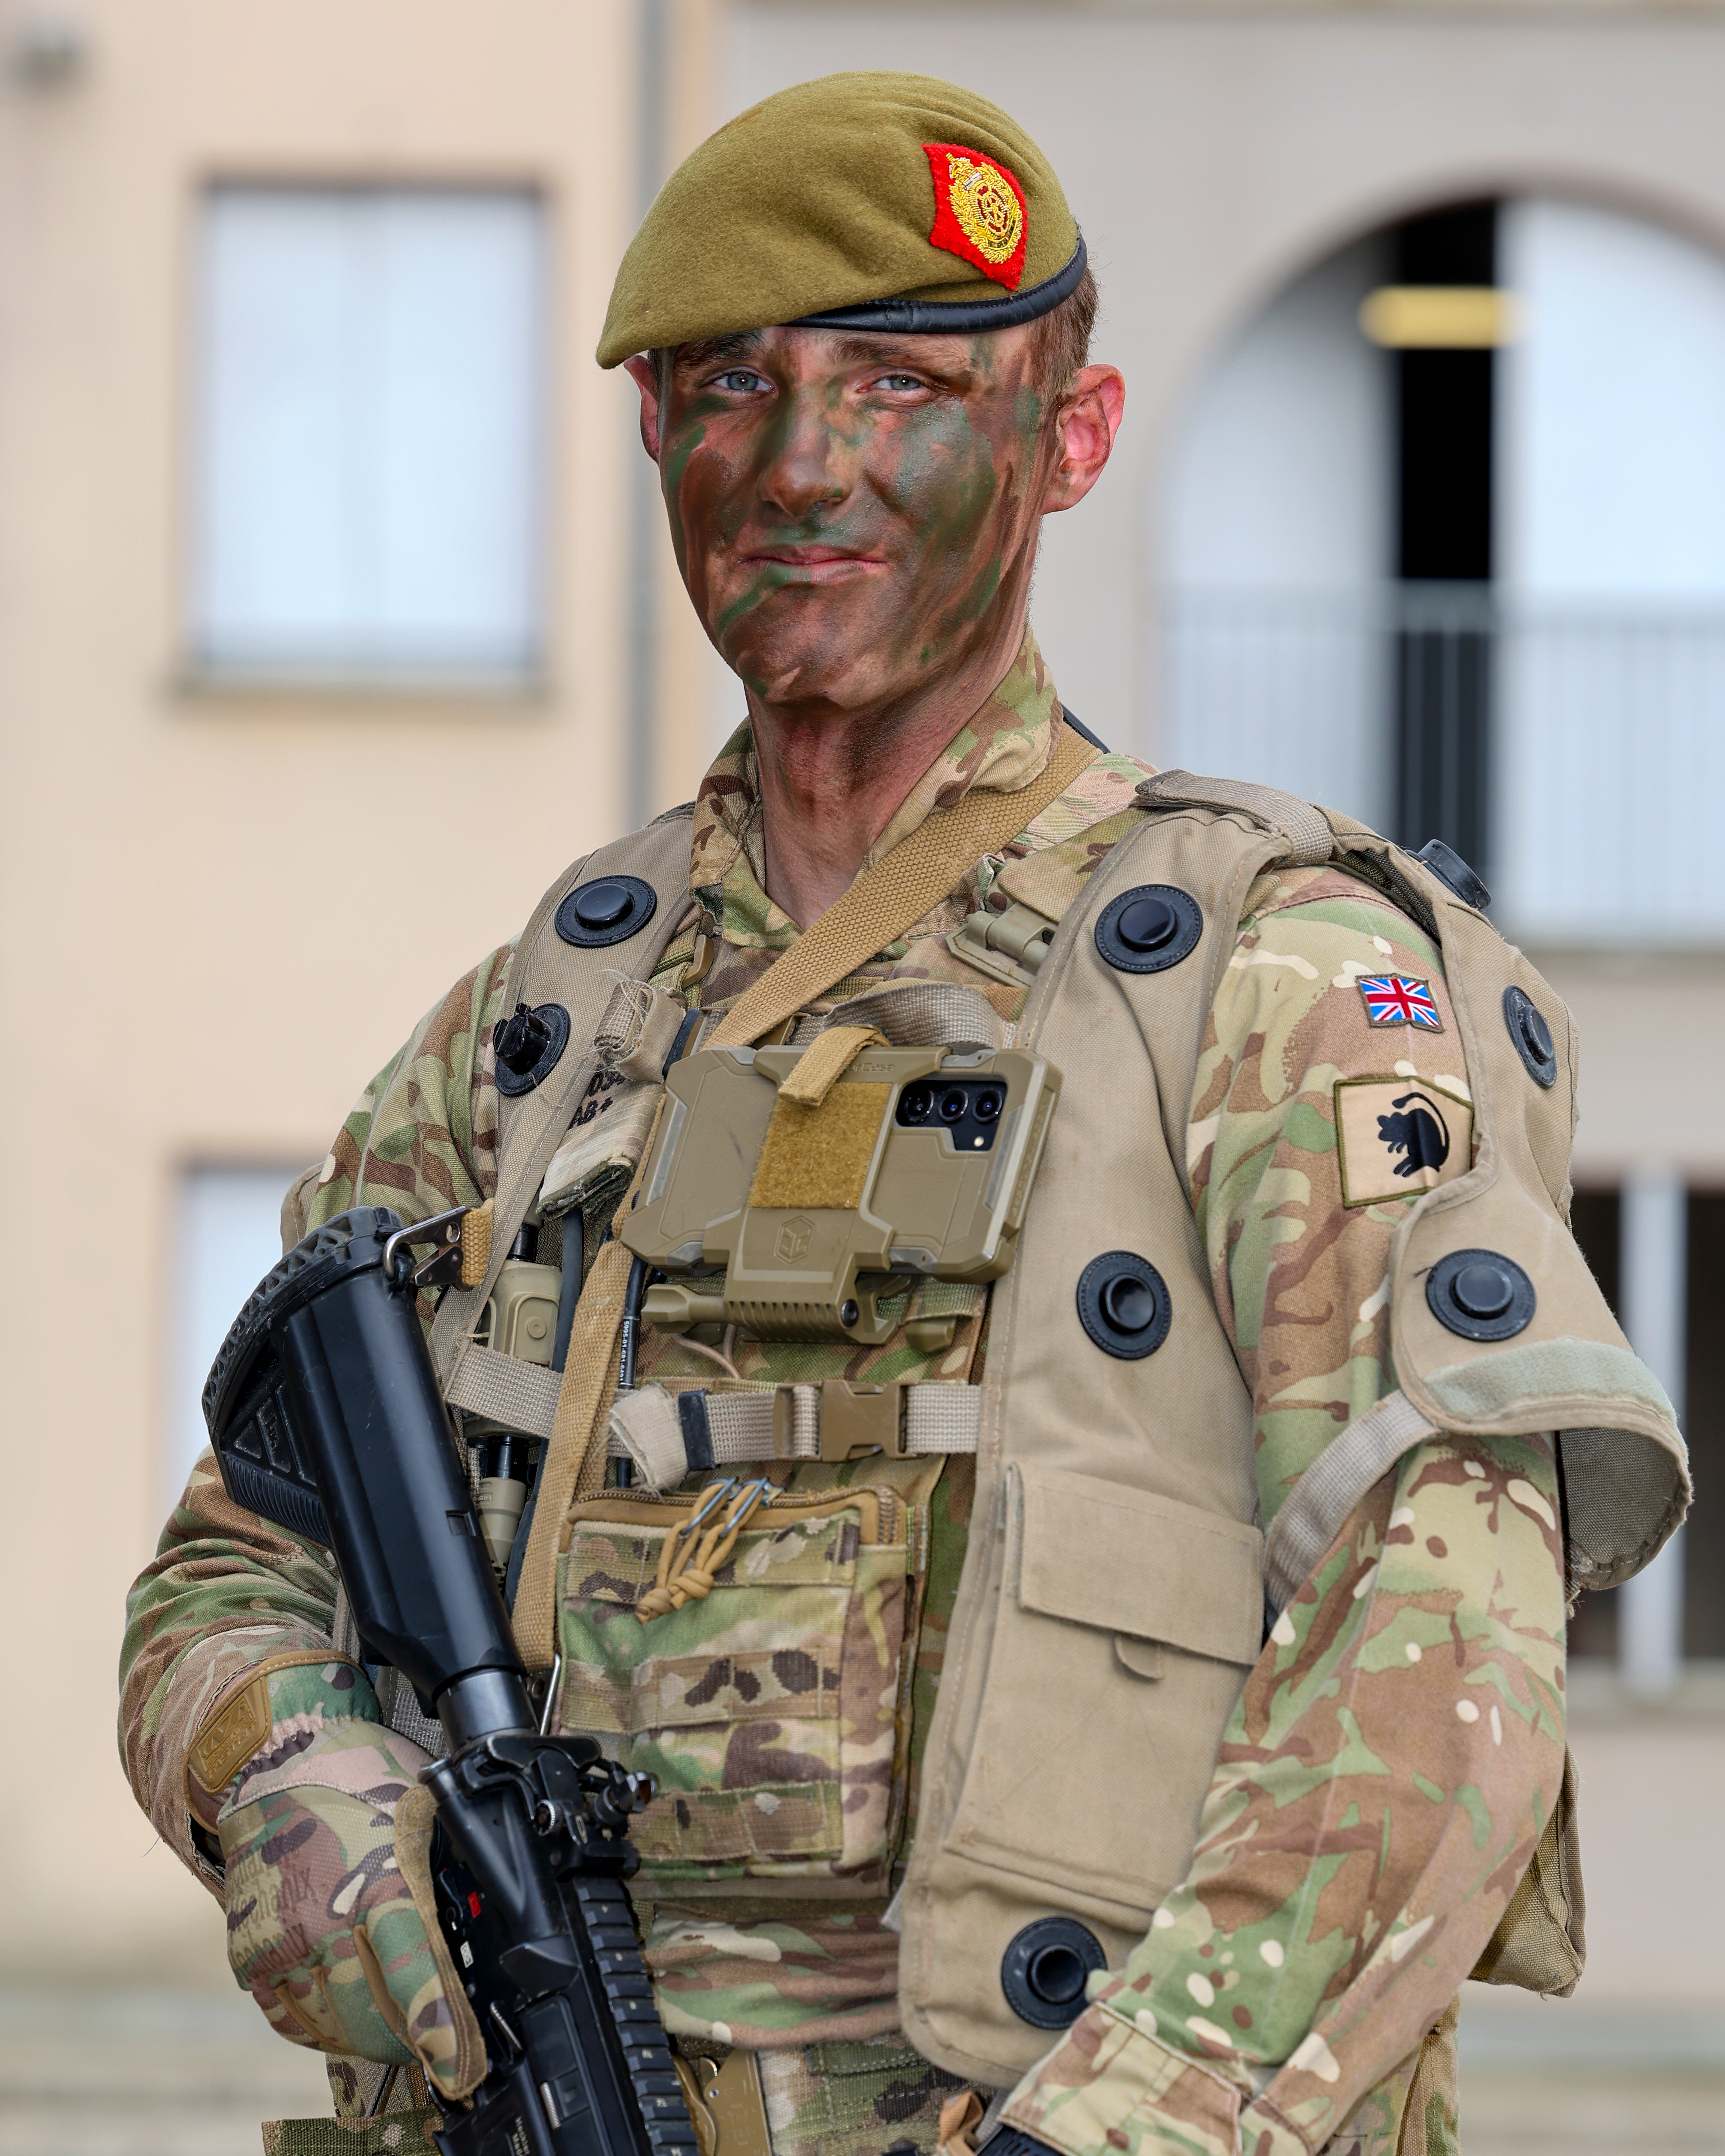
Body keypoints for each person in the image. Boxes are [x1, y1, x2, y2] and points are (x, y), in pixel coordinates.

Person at [120, 72, 1685, 2156]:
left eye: (899, 381)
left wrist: (1116, 2131)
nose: (802, 465)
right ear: (655, 432)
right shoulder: (543, 1026)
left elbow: (1442, 1672)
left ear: (1073, 436)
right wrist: (293, 1780)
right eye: (728, 384)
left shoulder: (1265, 979)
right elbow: (228, 1568)